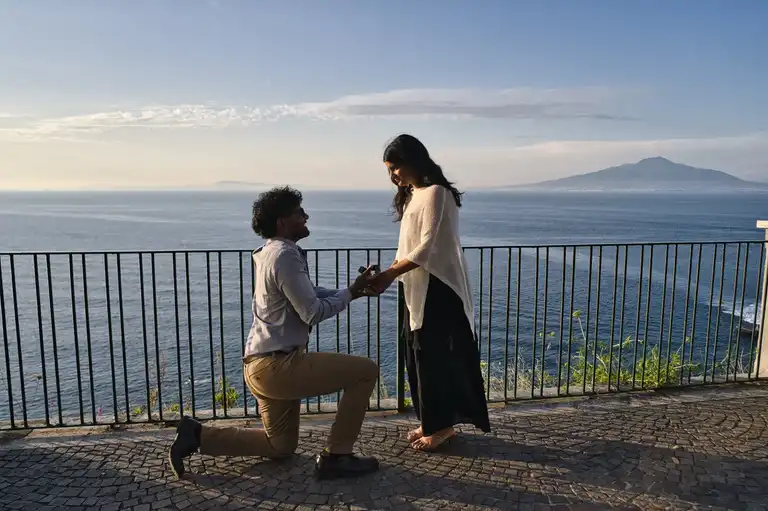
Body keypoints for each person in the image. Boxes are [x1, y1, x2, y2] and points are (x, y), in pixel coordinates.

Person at [168, 186, 382, 480]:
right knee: (365, 371)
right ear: (282, 222)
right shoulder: (285, 256)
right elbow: (312, 312)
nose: (306, 216)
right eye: (299, 212)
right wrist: (350, 294)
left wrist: (351, 291)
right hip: (279, 366)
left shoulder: (270, 252)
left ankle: (197, 435)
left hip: (259, 365)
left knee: (280, 446)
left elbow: (309, 293)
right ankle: (338, 455)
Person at [368, 134, 491, 451]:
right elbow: (408, 247)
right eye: (389, 170)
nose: (393, 175)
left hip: (438, 287)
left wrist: (390, 274)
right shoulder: (414, 194)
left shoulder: (437, 193)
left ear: (413, 161)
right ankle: (431, 421)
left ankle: (442, 427)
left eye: (395, 167)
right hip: (416, 285)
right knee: (417, 356)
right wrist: (391, 272)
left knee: (434, 356)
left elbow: (427, 247)